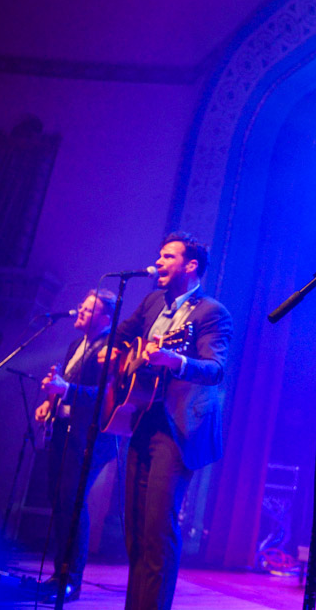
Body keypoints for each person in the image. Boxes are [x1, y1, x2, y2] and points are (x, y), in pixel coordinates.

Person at [102, 231, 232, 610]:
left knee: (158, 528)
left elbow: (215, 369)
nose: (158, 262)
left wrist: (176, 361)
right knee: (135, 528)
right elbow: (121, 335)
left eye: (167, 257)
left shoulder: (211, 313)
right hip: (141, 418)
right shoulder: (152, 301)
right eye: (159, 256)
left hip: (179, 428)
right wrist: (115, 354)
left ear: (191, 265)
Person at [36, 289, 119, 602]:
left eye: (88, 308)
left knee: (72, 502)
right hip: (64, 430)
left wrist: (66, 389)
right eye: (81, 306)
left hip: (90, 437)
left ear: (106, 318)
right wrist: (50, 401)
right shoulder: (76, 344)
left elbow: (106, 396)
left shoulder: (110, 349)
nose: (80, 311)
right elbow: (66, 387)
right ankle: (59, 575)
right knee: (59, 500)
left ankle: (71, 580)